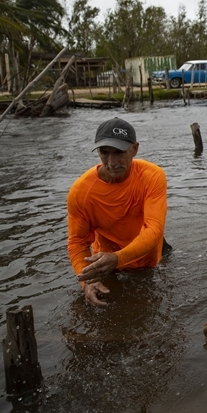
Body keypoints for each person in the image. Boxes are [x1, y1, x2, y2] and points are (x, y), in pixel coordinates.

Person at [67, 117, 167, 306]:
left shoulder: (152, 176)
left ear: (135, 149)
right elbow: (77, 242)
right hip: (106, 266)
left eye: (119, 152)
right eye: (104, 153)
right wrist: (87, 281)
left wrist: (118, 258)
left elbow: (154, 229)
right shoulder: (81, 192)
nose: (111, 162)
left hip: (147, 261)